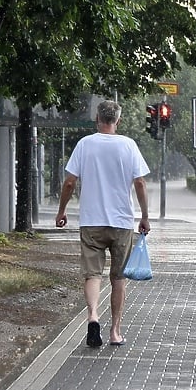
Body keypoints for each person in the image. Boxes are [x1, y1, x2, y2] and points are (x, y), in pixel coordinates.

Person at [55, 100, 151, 348]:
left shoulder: (85, 144)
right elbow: (140, 183)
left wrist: (62, 210)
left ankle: (93, 316)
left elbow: (69, 183)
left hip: (91, 222)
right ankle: (115, 332)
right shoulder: (128, 145)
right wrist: (144, 216)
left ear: (97, 118)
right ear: (117, 121)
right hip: (121, 222)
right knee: (118, 278)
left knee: (92, 274)